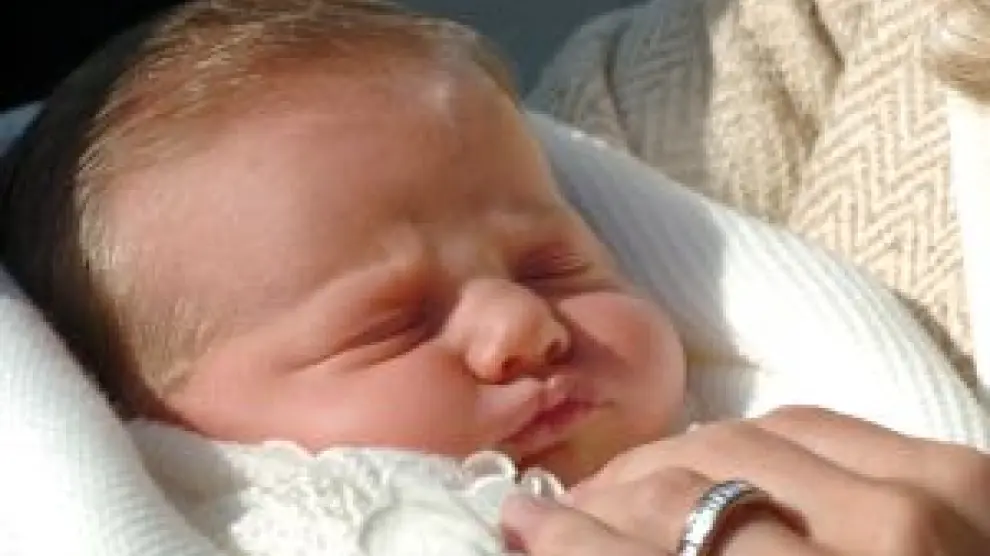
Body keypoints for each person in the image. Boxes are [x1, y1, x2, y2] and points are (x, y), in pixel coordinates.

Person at [0, 1, 986, 555]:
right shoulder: (256, 517)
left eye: (557, 266)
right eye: (391, 323)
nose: (524, 323)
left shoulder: (736, 438)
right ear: (151, 420)